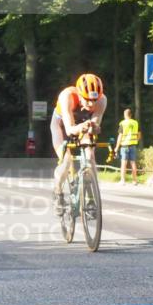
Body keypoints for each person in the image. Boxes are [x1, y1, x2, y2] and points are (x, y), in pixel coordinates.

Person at [50, 73, 108, 215]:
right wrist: (82, 126)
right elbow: (69, 129)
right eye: (87, 100)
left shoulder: (102, 100)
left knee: (90, 157)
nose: (91, 104)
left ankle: (90, 198)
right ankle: (58, 192)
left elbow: (94, 125)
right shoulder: (67, 96)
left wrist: (94, 127)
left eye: (94, 100)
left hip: (82, 125)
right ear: (80, 94)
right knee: (66, 161)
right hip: (61, 126)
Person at [114, 108, 141, 185]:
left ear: (124, 115)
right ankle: (135, 181)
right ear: (131, 115)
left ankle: (123, 181)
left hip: (124, 146)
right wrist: (136, 140)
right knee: (133, 163)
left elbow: (120, 136)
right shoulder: (135, 123)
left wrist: (116, 147)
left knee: (124, 163)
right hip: (133, 145)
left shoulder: (123, 123)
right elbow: (139, 134)